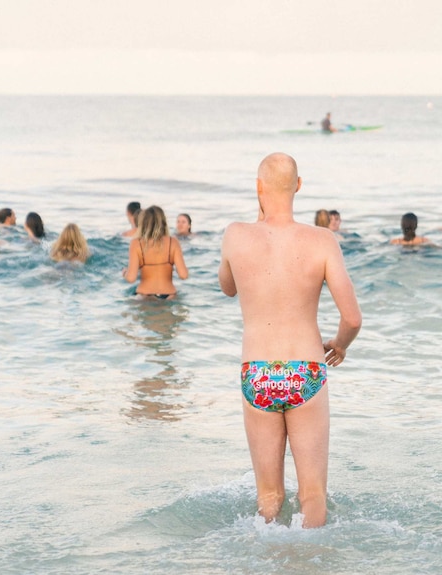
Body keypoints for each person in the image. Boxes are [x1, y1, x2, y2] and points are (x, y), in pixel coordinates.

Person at [218, 153, 362, 529]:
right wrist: (340, 344)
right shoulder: (323, 240)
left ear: (258, 187)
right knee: (312, 494)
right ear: (299, 186)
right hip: (306, 369)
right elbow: (352, 318)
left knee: (268, 497)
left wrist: (256, 224)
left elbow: (227, 287)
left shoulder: (235, 235)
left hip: (258, 373)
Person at [123, 205, 188, 298]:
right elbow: (183, 275)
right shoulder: (173, 242)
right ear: (163, 222)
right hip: (169, 296)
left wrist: (125, 273)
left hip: (145, 296)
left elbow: (131, 278)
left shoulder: (136, 243)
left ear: (144, 223)